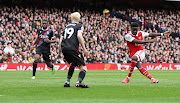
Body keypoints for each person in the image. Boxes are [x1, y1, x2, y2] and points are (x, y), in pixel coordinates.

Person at [59, 12, 89, 88]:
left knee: (73, 63)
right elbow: (79, 36)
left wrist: (62, 53)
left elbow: (60, 41)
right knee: (83, 67)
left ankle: (67, 82)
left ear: (71, 19)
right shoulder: (79, 26)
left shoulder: (66, 27)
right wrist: (84, 49)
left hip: (64, 48)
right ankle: (78, 82)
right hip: (72, 48)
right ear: (79, 19)